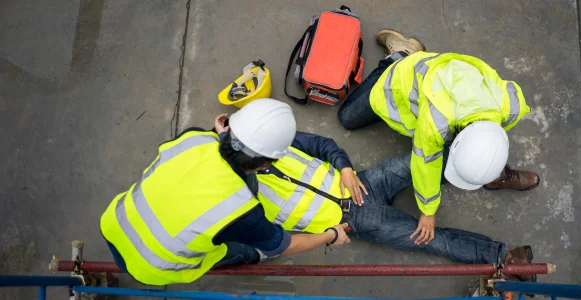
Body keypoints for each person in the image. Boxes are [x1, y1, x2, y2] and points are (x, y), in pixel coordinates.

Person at [215, 116, 537, 282]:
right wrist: (331, 235)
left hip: (363, 183)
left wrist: (344, 169)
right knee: (435, 240)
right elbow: (271, 246)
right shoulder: (243, 206)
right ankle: (507, 258)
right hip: (355, 222)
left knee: (422, 160)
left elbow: (323, 145)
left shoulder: (270, 142)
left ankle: (490, 171)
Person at [99, 99, 350, 285]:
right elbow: (286, 246)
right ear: (264, 165)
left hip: (114, 222)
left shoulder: (194, 137)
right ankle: (252, 256)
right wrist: (330, 235)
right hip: (152, 265)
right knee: (243, 249)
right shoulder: (242, 209)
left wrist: (221, 137)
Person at [337, 29, 541, 246]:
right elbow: (425, 165)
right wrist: (428, 211)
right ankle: (401, 54)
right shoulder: (435, 123)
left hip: (440, 84)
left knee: (477, 154)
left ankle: (496, 174)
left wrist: (489, 161)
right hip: (398, 82)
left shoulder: (511, 106)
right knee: (347, 118)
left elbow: (491, 140)